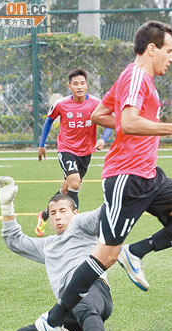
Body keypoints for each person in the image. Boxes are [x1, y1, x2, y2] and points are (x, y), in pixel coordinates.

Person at [35, 20, 172, 331]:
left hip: (150, 175)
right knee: (106, 255)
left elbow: (102, 114)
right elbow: (128, 122)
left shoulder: (134, 78)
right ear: (152, 49)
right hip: (126, 178)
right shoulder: (135, 76)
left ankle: (138, 251)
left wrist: (127, 120)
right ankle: (52, 320)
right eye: (169, 50)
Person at [0, 176, 113, 331]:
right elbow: (14, 241)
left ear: (75, 213)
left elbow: (105, 212)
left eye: (63, 211)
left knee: (84, 305)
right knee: (41, 329)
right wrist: (7, 207)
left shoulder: (82, 225)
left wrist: (120, 184)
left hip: (95, 290)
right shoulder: (47, 246)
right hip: (66, 306)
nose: (57, 216)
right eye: (53, 212)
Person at [35, 68, 112, 237]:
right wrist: (42, 145)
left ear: (87, 85)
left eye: (82, 83)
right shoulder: (61, 104)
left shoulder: (96, 104)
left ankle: (44, 215)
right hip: (67, 149)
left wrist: (103, 139)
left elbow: (109, 121)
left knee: (66, 189)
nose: (79, 86)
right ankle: (74, 226)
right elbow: (48, 122)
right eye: (75, 83)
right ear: (69, 86)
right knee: (75, 183)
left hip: (86, 152)